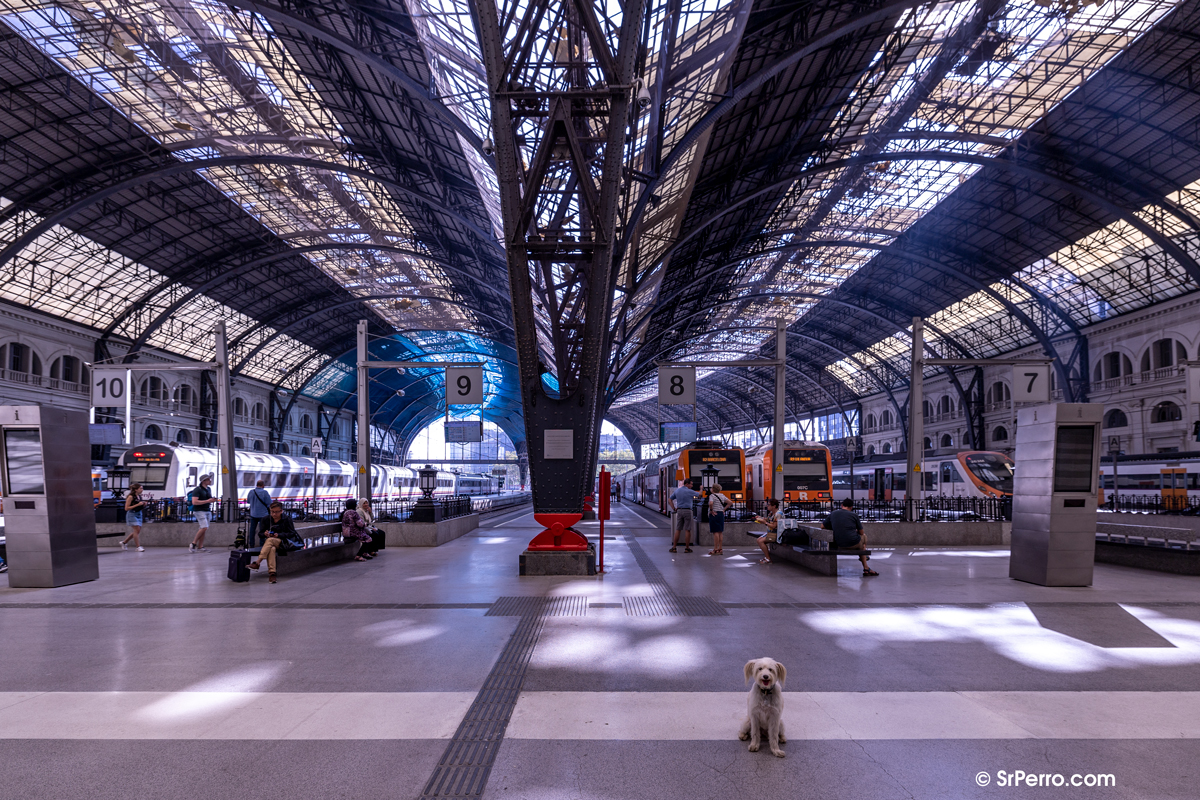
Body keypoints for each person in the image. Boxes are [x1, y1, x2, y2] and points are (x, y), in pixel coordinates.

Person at [250, 501, 301, 583]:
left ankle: (257, 562)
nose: (274, 514)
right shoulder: (266, 519)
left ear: (281, 511)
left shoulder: (287, 519)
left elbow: (292, 533)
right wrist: (265, 533)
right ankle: (272, 574)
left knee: (270, 540)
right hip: (270, 544)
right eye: (272, 512)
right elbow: (260, 534)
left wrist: (279, 535)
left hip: (284, 543)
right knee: (272, 549)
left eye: (276, 512)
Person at [824, 497, 877, 576]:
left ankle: (866, 567)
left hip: (837, 544)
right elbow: (861, 532)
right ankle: (865, 558)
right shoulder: (854, 515)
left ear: (842, 505)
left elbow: (822, 526)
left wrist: (836, 527)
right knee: (863, 538)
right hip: (853, 544)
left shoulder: (833, 513)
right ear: (851, 507)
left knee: (861, 544)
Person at [668, 480, 700, 553]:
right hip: (688, 511)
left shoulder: (677, 491)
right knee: (687, 530)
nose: (692, 486)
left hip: (679, 511)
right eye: (691, 484)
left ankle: (674, 547)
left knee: (678, 529)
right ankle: (687, 548)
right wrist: (701, 489)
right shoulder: (690, 491)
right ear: (687, 484)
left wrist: (673, 508)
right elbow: (699, 494)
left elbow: (669, 499)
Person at [188, 474, 216, 553]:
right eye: (208, 480)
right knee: (204, 527)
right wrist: (207, 501)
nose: (210, 481)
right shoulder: (198, 490)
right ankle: (193, 543)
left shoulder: (208, 489)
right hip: (199, 511)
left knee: (203, 528)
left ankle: (200, 546)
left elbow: (207, 498)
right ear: (203, 481)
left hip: (207, 510)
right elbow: (194, 501)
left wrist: (211, 500)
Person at [753, 498, 783, 564]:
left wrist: (765, 522)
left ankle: (768, 559)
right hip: (771, 533)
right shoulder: (771, 513)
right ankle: (767, 557)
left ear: (774, 506)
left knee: (760, 541)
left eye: (769, 505)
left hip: (777, 535)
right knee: (759, 540)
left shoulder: (778, 514)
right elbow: (767, 520)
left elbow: (774, 526)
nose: (767, 506)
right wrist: (760, 519)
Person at [247, 480, 273, 548]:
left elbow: (248, 501)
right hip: (263, 514)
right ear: (263, 485)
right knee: (263, 530)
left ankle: (251, 544)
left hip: (253, 513)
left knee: (252, 530)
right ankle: (262, 545)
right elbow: (269, 503)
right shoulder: (264, 492)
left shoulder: (251, 492)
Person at [121, 483, 147, 552]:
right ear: (136, 489)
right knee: (136, 530)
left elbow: (139, 505)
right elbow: (126, 508)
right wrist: (138, 504)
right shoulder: (130, 497)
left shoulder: (139, 496)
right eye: (140, 488)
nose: (142, 490)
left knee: (137, 531)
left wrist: (143, 505)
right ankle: (138, 546)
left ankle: (124, 542)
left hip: (139, 513)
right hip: (132, 514)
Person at [707, 484, 728, 556]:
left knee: (715, 532)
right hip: (721, 514)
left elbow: (711, 503)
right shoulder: (722, 495)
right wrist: (724, 509)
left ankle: (715, 549)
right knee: (720, 531)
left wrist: (711, 510)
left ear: (713, 489)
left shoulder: (712, 496)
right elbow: (730, 502)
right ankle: (720, 549)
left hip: (714, 514)